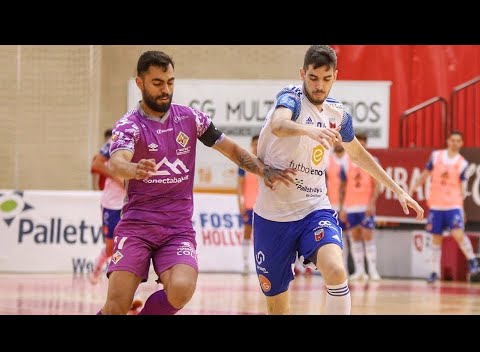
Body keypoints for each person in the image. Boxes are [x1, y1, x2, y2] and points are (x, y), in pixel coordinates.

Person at [97, 50, 295, 315]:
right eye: (157, 83)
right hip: (137, 225)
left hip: (176, 227)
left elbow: (231, 150)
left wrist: (263, 170)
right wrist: (133, 168)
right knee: (116, 305)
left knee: (181, 289)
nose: (165, 89)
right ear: (140, 83)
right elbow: (116, 162)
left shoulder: (191, 119)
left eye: (170, 82)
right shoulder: (129, 126)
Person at [253, 45, 424, 315]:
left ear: (335, 76)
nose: (319, 85)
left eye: (326, 78)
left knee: (335, 269)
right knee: (277, 308)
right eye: (313, 77)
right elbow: (278, 124)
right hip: (273, 216)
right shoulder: (291, 98)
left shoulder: (338, 115)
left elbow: (357, 154)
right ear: (302, 74)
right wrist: (310, 130)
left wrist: (397, 190)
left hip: (314, 207)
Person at [408, 130, 479, 283]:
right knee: (435, 239)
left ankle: (472, 260)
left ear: (461, 143)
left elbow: (462, 188)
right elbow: (425, 174)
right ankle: (434, 272)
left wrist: (462, 209)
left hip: (453, 204)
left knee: (458, 234)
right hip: (436, 205)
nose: (454, 143)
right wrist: (413, 188)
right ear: (448, 141)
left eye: (458, 141)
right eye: (452, 140)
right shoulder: (436, 156)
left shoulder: (462, 163)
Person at [90, 136, 144, 314]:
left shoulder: (150, 140)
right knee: (111, 248)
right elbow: (97, 164)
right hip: (111, 204)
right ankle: (98, 266)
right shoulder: (118, 137)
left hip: (131, 204)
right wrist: (118, 179)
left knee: (129, 249)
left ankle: (128, 296)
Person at [338, 132, 382, 281]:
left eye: (364, 144)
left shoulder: (373, 160)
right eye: (359, 143)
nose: (361, 146)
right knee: (355, 237)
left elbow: (377, 186)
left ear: (366, 145)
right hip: (351, 206)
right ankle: (359, 271)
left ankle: (373, 271)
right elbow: (343, 187)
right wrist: (342, 207)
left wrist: (372, 204)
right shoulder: (346, 161)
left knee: (368, 237)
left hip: (365, 206)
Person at [237, 134, 259, 275]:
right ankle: (245, 264)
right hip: (249, 205)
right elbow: (238, 186)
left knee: (261, 236)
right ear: (251, 145)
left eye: (259, 143)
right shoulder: (244, 163)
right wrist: (240, 204)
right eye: (254, 144)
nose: (256, 146)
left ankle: (261, 265)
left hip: (263, 207)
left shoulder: (266, 162)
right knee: (247, 233)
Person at [326, 142, 349, 271]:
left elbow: (346, 185)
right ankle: (338, 268)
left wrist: (343, 206)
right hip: (330, 205)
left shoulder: (350, 159)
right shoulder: (327, 160)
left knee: (347, 237)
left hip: (348, 205)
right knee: (334, 238)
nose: (337, 143)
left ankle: (348, 269)